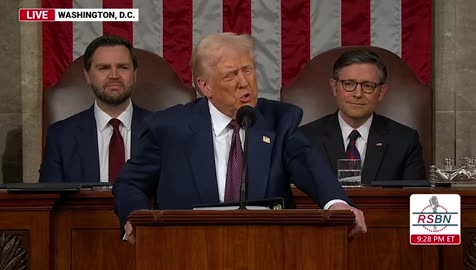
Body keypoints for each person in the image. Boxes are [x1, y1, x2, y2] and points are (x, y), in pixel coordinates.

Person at [113, 32, 366, 244]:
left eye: (248, 70)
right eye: (230, 75)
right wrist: (139, 219)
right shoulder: (168, 127)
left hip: (267, 250)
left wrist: (337, 204)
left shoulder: (279, 120)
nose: (244, 83)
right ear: (205, 86)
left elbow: (310, 168)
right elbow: (129, 184)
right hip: (186, 249)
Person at [301, 49, 426, 184]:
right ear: (334, 87)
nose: (358, 94)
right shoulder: (304, 138)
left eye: (368, 85)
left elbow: (414, 199)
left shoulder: (404, 140)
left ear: (381, 92)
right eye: (348, 84)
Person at [39, 35, 151, 183]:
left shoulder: (161, 130)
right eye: (103, 68)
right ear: (87, 76)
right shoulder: (60, 137)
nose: (114, 75)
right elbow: (48, 201)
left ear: (134, 74)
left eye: (123, 67)